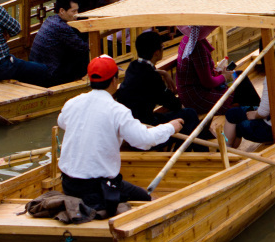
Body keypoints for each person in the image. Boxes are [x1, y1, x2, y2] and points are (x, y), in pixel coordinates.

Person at [57, 55, 184, 216]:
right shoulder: (117, 111)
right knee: (150, 199)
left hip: (69, 184)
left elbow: (62, 122)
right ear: (114, 81)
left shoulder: (72, 103)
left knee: (130, 190)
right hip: (99, 188)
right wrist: (170, 128)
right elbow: (144, 140)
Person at [115, 31, 201, 151]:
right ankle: (199, 152)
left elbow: (145, 74)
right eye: (162, 47)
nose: (163, 49)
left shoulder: (133, 67)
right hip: (145, 131)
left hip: (131, 125)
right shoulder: (151, 78)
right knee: (189, 114)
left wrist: (163, 73)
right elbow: (172, 103)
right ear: (156, 53)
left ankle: (186, 150)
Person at [221, 35, 275, 147]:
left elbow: (263, 112)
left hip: (270, 128)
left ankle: (226, 149)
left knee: (232, 115)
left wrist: (254, 114)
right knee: (238, 113)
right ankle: (229, 148)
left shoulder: (273, 77)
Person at [29, 0, 89, 85]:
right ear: (62, 11)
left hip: (35, 68)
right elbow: (83, 47)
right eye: (74, 11)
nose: (77, 14)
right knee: (83, 55)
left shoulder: (50, 19)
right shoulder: (62, 27)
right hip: (48, 74)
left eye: (77, 10)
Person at [176, 25, 234, 116]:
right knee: (237, 88)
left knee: (238, 76)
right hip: (197, 97)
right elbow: (208, 82)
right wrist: (224, 76)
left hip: (188, 94)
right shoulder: (198, 47)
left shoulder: (188, 39)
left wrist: (217, 73)